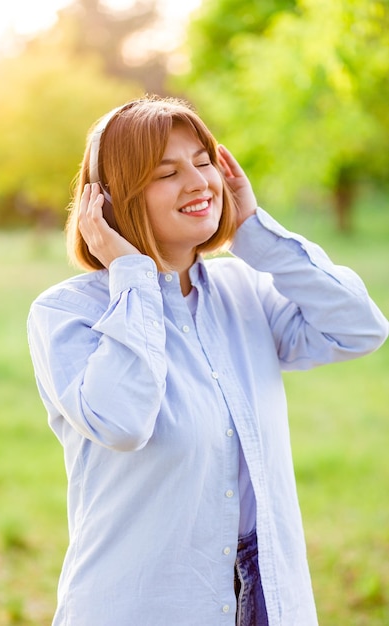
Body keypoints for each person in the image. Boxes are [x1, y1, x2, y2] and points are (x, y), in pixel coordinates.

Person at [27, 95, 388, 626]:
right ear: (109, 200)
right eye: (167, 173)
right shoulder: (65, 314)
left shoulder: (243, 291)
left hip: (268, 598)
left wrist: (254, 234)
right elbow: (122, 421)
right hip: (147, 605)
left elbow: (359, 327)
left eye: (203, 162)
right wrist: (132, 275)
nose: (199, 183)